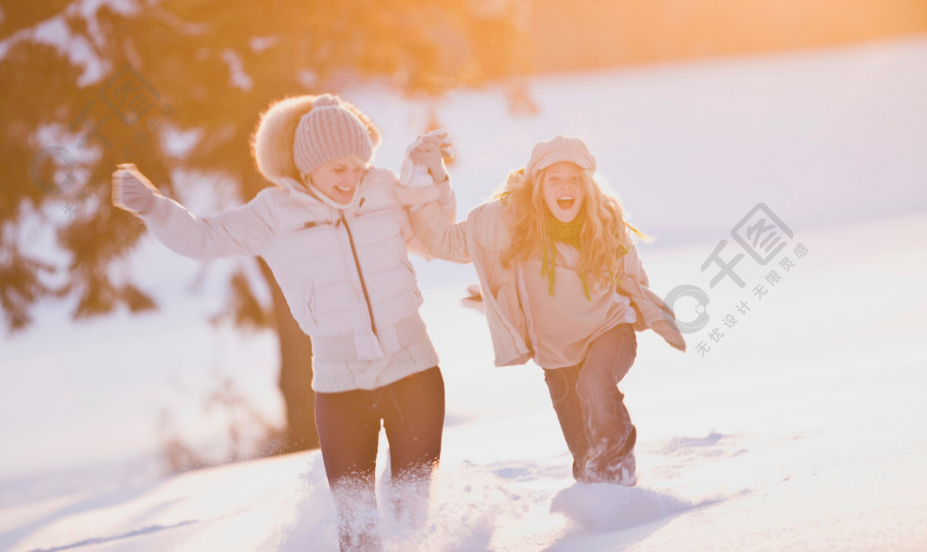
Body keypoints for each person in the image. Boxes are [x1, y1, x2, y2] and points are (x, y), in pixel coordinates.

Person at [111, 94, 454, 550]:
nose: (351, 179)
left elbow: (436, 238)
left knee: (413, 514)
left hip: (414, 373)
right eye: (338, 169)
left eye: (358, 165)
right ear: (307, 166)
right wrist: (154, 207)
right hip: (342, 390)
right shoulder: (274, 213)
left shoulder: (386, 188)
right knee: (357, 528)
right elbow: (203, 237)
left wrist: (436, 177)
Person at [407, 135, 685, 486]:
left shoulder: (604, 221)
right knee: (586, 461)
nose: (564, 187)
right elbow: (442, 241)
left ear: (586, 186)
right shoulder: (504, 222)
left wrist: (652, 313)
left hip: (610, 332)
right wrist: (429, 174)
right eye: (554, 178)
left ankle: (618, 469)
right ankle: (611, 501)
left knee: (596, 385)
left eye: (574, 179)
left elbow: (634, 280)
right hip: (556, 358)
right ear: (537, 185)